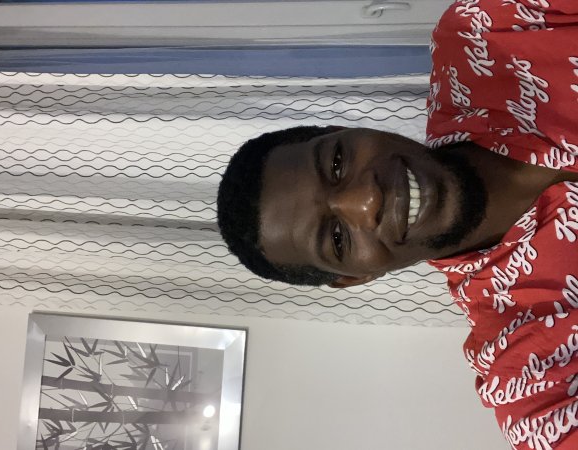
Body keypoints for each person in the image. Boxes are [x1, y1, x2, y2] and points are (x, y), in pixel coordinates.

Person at [217, 1, 578, 448]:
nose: (366, 200)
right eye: (336, 237)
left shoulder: (485, 34)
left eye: (336, 162)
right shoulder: (529, 372)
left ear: (343, 128)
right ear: (354, 277)